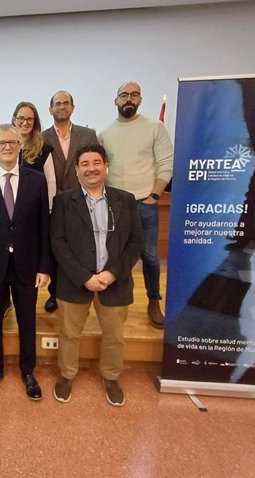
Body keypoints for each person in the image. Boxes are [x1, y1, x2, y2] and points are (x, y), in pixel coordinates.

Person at [50, 144, 143, 406]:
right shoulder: (64, 201)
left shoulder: (125, 200)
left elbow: (135, 243)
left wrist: (113, 274)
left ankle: (111, 377)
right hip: (75, 281)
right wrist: (84, 277)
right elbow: (58, 242)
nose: (91, 168)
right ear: (77, 170)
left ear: (106, 166)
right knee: (69, 333)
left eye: (96, 162)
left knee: (115, 336)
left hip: (115, 282)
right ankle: (67, 375)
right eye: (85, 164)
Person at [0, 124, 51, 401]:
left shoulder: (37, 180)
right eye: (1, 143)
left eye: (12, 142)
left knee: (27, 319)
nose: (7, 146)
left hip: (28, 265)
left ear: (20, 146)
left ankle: (28, 371)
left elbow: (44, 227)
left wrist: (44, 266)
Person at [99, 81, 174, 329]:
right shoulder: (105, 134)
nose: (128, 99)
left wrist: (154, 195)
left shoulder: (155, 127)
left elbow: (166, 163)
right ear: (115, 100)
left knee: (150, 256)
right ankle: (120, 303)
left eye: (133, 95)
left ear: (140, 99)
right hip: (115, 206)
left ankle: (154, 300)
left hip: (145, 203)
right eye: (123, 95)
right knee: (118, 257)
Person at [42, 90, 99, 313]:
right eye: (57, 104)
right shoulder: (42, 137)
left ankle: (81, 290)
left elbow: (96, 165)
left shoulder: (88, 134)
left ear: (73, 108)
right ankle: (55, 294)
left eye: (66, 103)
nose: (62, 107)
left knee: (80, 248)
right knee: (57, 248)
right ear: (50, 110)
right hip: (53, 202)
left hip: (82, 201)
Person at [11, 101, 56, 209]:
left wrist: (49, 208)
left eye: (29, 119)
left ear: (34, 122)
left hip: (35, 208)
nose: (25, 123)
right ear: (14, 120)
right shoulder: (6, 148)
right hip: (10, 207)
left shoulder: (43, 149)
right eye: (21, 118)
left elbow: (51, 182)